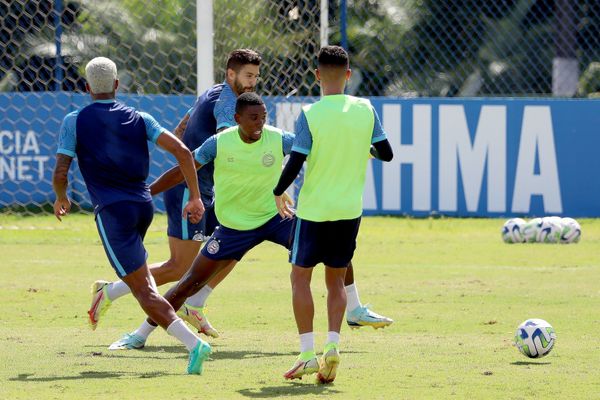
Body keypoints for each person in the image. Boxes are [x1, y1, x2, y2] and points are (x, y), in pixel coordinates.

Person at [88, 49, 262, 348]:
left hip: (206, 191)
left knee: (236, 244)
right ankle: (111, 291)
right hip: (187, 192)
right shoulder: (227, 104)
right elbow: (228, 141)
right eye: (248, 76)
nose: (253, 83)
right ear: (231, 74)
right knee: (179, 268)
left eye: (257, 77)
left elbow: (184, 124)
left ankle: (195, 302)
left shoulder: (215, 93)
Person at [52, 57, 211, 374]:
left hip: (113, 213)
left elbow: (61, 170)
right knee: (142, 277)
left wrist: (60, 197)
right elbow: (182, 152)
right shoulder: (141, 118)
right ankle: (107, 293)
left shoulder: (74, 120)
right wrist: (194, 196)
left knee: (144, 291)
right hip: (143, 207)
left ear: (87, 88)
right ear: (116, 85)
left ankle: (195, 345)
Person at [272, 45, 394, 383]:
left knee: (300, 278)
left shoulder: (310, 114)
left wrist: (278, 190)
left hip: (313, 211)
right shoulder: (366, 109)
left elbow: (296, 161)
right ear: (349, 75)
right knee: (336, 280)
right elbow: (387, 153)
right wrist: (363, 149)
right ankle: (334, 345)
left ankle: (308, 353)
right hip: (348, 210)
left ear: (316, 76)